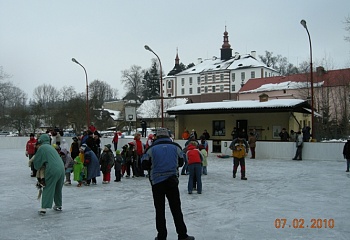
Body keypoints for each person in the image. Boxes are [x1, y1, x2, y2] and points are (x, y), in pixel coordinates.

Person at [141, 128, 195, 240]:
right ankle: (182, 235)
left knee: (159, 210)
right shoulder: (176, 147)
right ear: (168, 136)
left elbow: (144, 164)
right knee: (176, 209)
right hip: (172, 181)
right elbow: (181, 162)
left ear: (157, 137)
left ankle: (161, 236)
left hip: (157, 182)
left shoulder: (151, 149)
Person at [33, 134, 65, 215]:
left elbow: (37, 161)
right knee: (58, 187)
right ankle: (58, 205)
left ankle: (44, 207)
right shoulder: (51, 147)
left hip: (52, 169)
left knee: (48, 186)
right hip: (61, 168)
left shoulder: (42, 148)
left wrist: (36, 167)